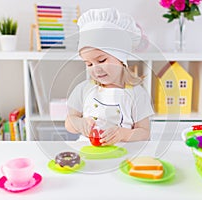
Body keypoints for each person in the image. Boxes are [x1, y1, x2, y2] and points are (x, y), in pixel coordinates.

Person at [65, 8, 154, 145]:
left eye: (101, 60)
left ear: (121, 58)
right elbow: (69, 123)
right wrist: (79, 123)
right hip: (87, 153)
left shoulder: (137, 93)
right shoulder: (83, 89)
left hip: (123, 155)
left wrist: (123, 133)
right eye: (89, 64)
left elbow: (144, 133)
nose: (96, 68)